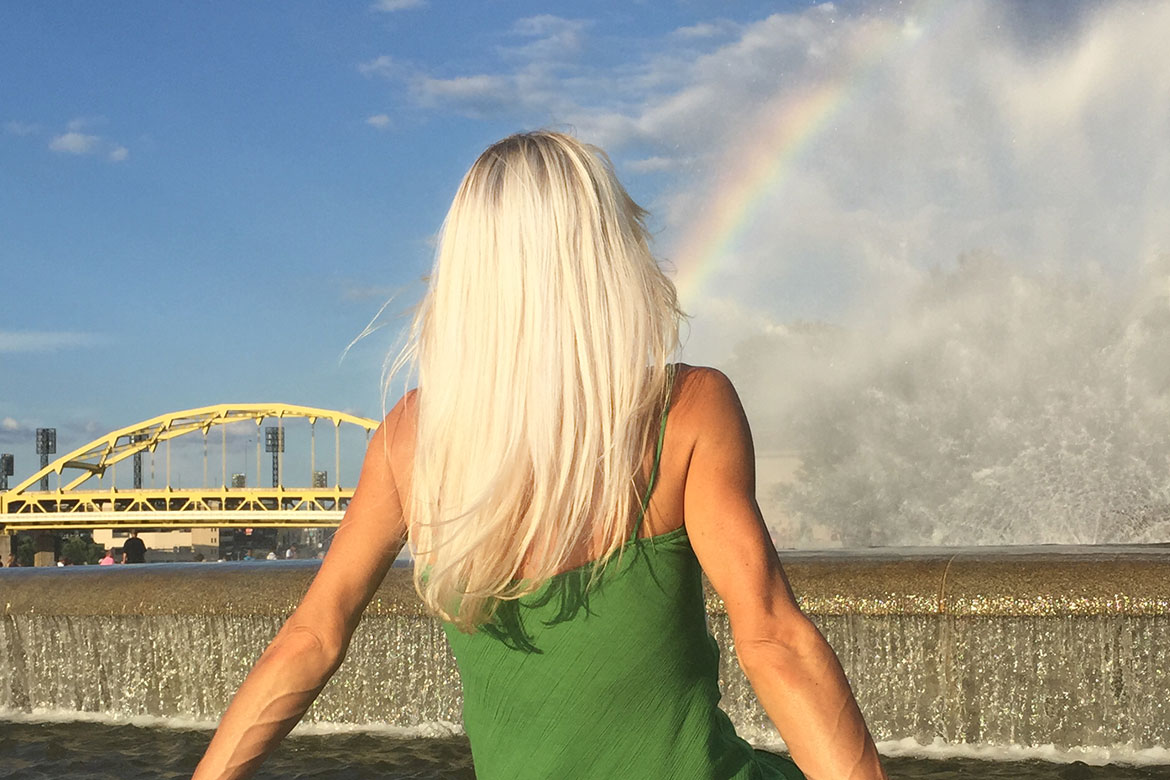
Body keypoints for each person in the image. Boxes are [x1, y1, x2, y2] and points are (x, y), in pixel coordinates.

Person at [192, 131, 886, 780]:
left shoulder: (411, 441)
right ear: (606, 259)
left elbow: (312, 638)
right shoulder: (688, 410)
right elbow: (771, 638)